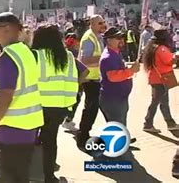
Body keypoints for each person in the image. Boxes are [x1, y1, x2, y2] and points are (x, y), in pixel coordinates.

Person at [0, 13, 43, 183]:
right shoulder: (25, 52)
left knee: (11, 178)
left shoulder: (8, 58)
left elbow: (5, 98)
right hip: (27, 129)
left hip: (11, 131)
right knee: (19, 176)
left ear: (7, 29)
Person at [31, 24, 87, 182]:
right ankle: (49, 176)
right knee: (51, 141)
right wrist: (74, 85)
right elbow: (85, 72)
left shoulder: (35, 55)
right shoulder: (67, 56)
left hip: (36, 104)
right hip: (60, 106)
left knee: (29, 138)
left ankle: (27, 171)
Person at [99, 27, 139, 127]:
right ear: (108, 40)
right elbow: (113, 77)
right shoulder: (109, 57)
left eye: (121, 37)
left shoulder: (115, 53)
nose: (121, 40)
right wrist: (131, 71)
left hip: (118, 98)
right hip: (113, 99)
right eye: (117, 38)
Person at [76, 15, 107, 148]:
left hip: (97, 78)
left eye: (104, 22)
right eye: (100, 23)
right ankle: (82, 136)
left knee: (104, 107)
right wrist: (104, 58)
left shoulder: (98, 37)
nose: (103, 25)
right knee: (91, 109)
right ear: (92, 24)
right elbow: (85, 60)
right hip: (90, 79)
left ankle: (117, 133)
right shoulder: (89, 38)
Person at [142, 29, 179, 133]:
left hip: (157, 78)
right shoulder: (161, 48)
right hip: (161, 79)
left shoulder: (154, 47)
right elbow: (169, 61)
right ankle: (148, 123)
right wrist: (176, 57)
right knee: (156, 102)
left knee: (163, 102)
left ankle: (170, 122)